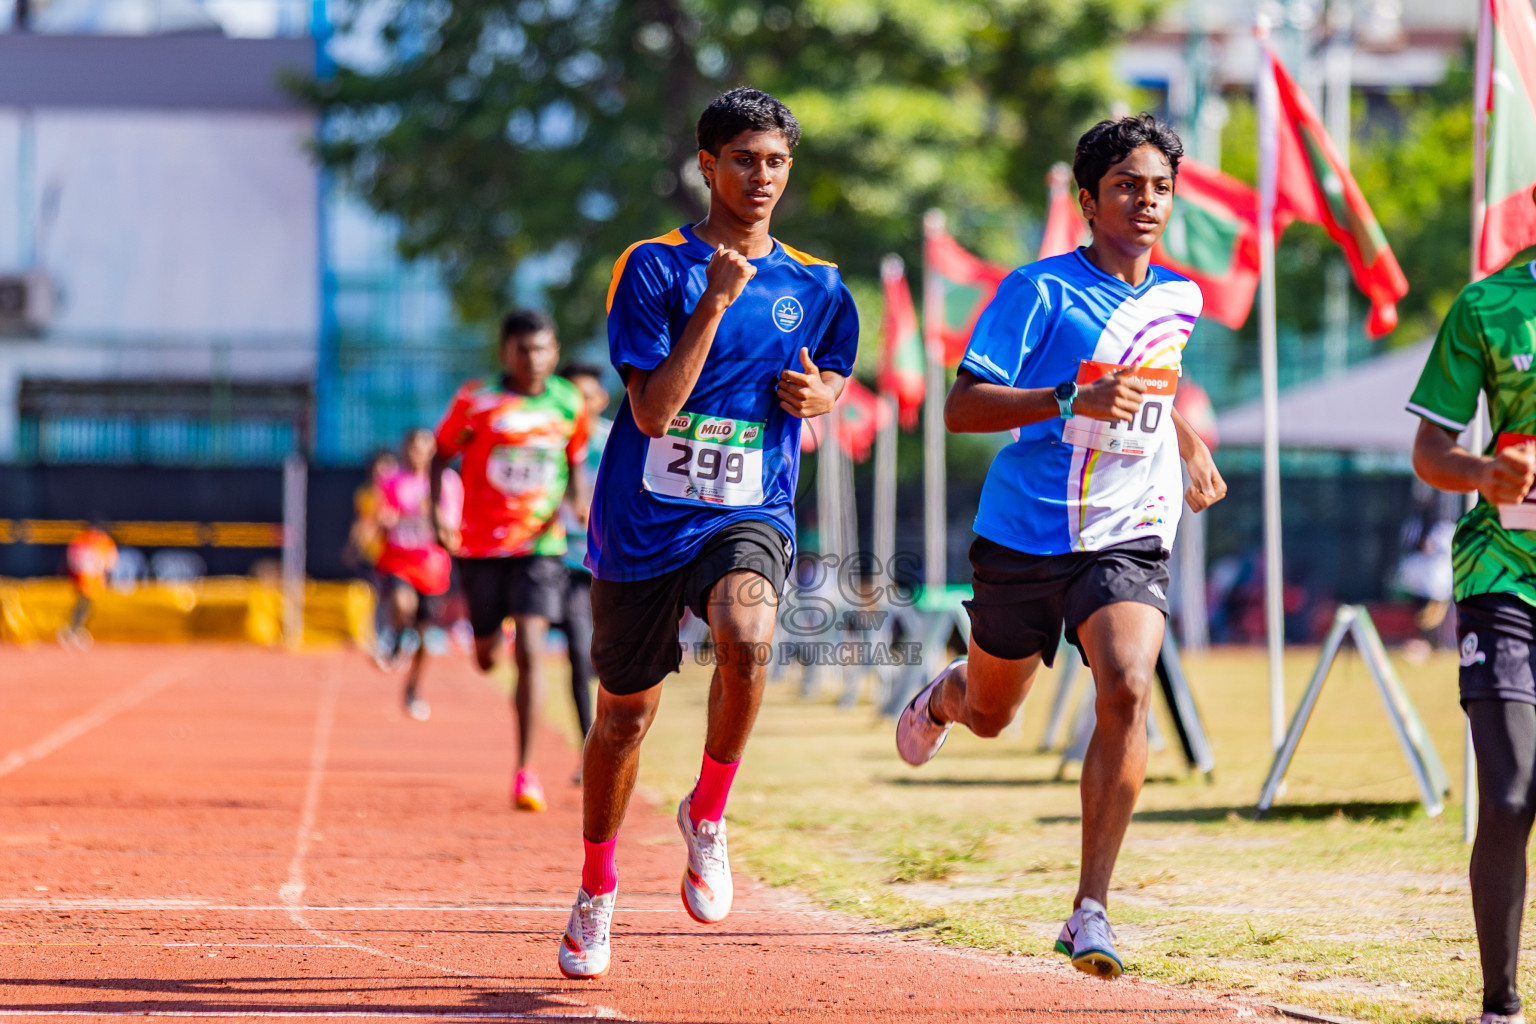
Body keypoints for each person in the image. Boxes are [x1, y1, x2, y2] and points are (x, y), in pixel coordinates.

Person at [895, 114, 1226, 980]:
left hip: (1128, 531)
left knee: (1128, 683)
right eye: (1126, 186)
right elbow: (963, 407)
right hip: (1024, 532)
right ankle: (949, 695)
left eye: (1159, 188)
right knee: (994, 715)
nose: (1146, 201)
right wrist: (1065, 399)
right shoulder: (1037, 291)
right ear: (1089, 200)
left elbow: (1149, 389)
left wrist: (1186, 442)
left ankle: (1091, 909)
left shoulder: (1181, 298)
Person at [556, 87, 858, 980]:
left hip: (747, 507)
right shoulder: (654, 267)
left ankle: (709, 811)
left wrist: (821, 395)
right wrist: (717, 303)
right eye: (743, 161)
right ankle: (597, 888)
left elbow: (835, 374)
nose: (761, 177)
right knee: (625, 717)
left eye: (776, 162)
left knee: (748, 634)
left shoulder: (820, 284)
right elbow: (653, 413)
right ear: (707, 165)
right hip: (644, 517)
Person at [1406, 180, 1536, 1024]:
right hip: (1503, 576)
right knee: (1514, 791)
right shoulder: (1489, 307)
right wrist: (1487, 474)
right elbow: (1430, 450)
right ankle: (1501, 1005)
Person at [432, 309, 589, 813]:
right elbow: (439, 454)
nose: (533, 359)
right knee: (486, 658)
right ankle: (489, 634)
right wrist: (438, 514)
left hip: (540, 546)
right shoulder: (475, 401)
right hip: (480, 546)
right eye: (523, 350)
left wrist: (577, 501)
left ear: (555, 352)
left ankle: (526, 771)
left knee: (531, 652)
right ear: (505, 352)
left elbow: (574, 458)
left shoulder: (568, 402)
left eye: (541, 349)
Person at [374, 427, 462, 720]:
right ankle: (395, 640)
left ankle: (412, 689)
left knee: (425, 634)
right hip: (399, 557)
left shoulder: (447, 483)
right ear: (405, 449)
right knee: (402, 603)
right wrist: (385, 520)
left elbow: (453, 526)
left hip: (432, 565)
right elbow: (380, 516)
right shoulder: (392, 480)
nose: (418, 454)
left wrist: (435, 517)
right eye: (413, 448)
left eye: (425, 449)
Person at [553, 363, 613, 782]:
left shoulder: (616, 442)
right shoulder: (549, 442)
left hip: (612, 564)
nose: (579, 405)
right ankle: (587, 746)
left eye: (586, 397)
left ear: (601, 400)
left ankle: (612, 745)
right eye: (571, 396)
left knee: (608, 658)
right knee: (578, 652)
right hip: (565, 562)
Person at [61, 523, 118, 648]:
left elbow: (110, 559)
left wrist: (105, 574)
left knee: (87, 605)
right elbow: (74, 558)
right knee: (82, 603)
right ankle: (73, 628)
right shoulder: (82, 540)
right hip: (84, 577)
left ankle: (76, 628)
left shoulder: (103, 541)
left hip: (95, 578)